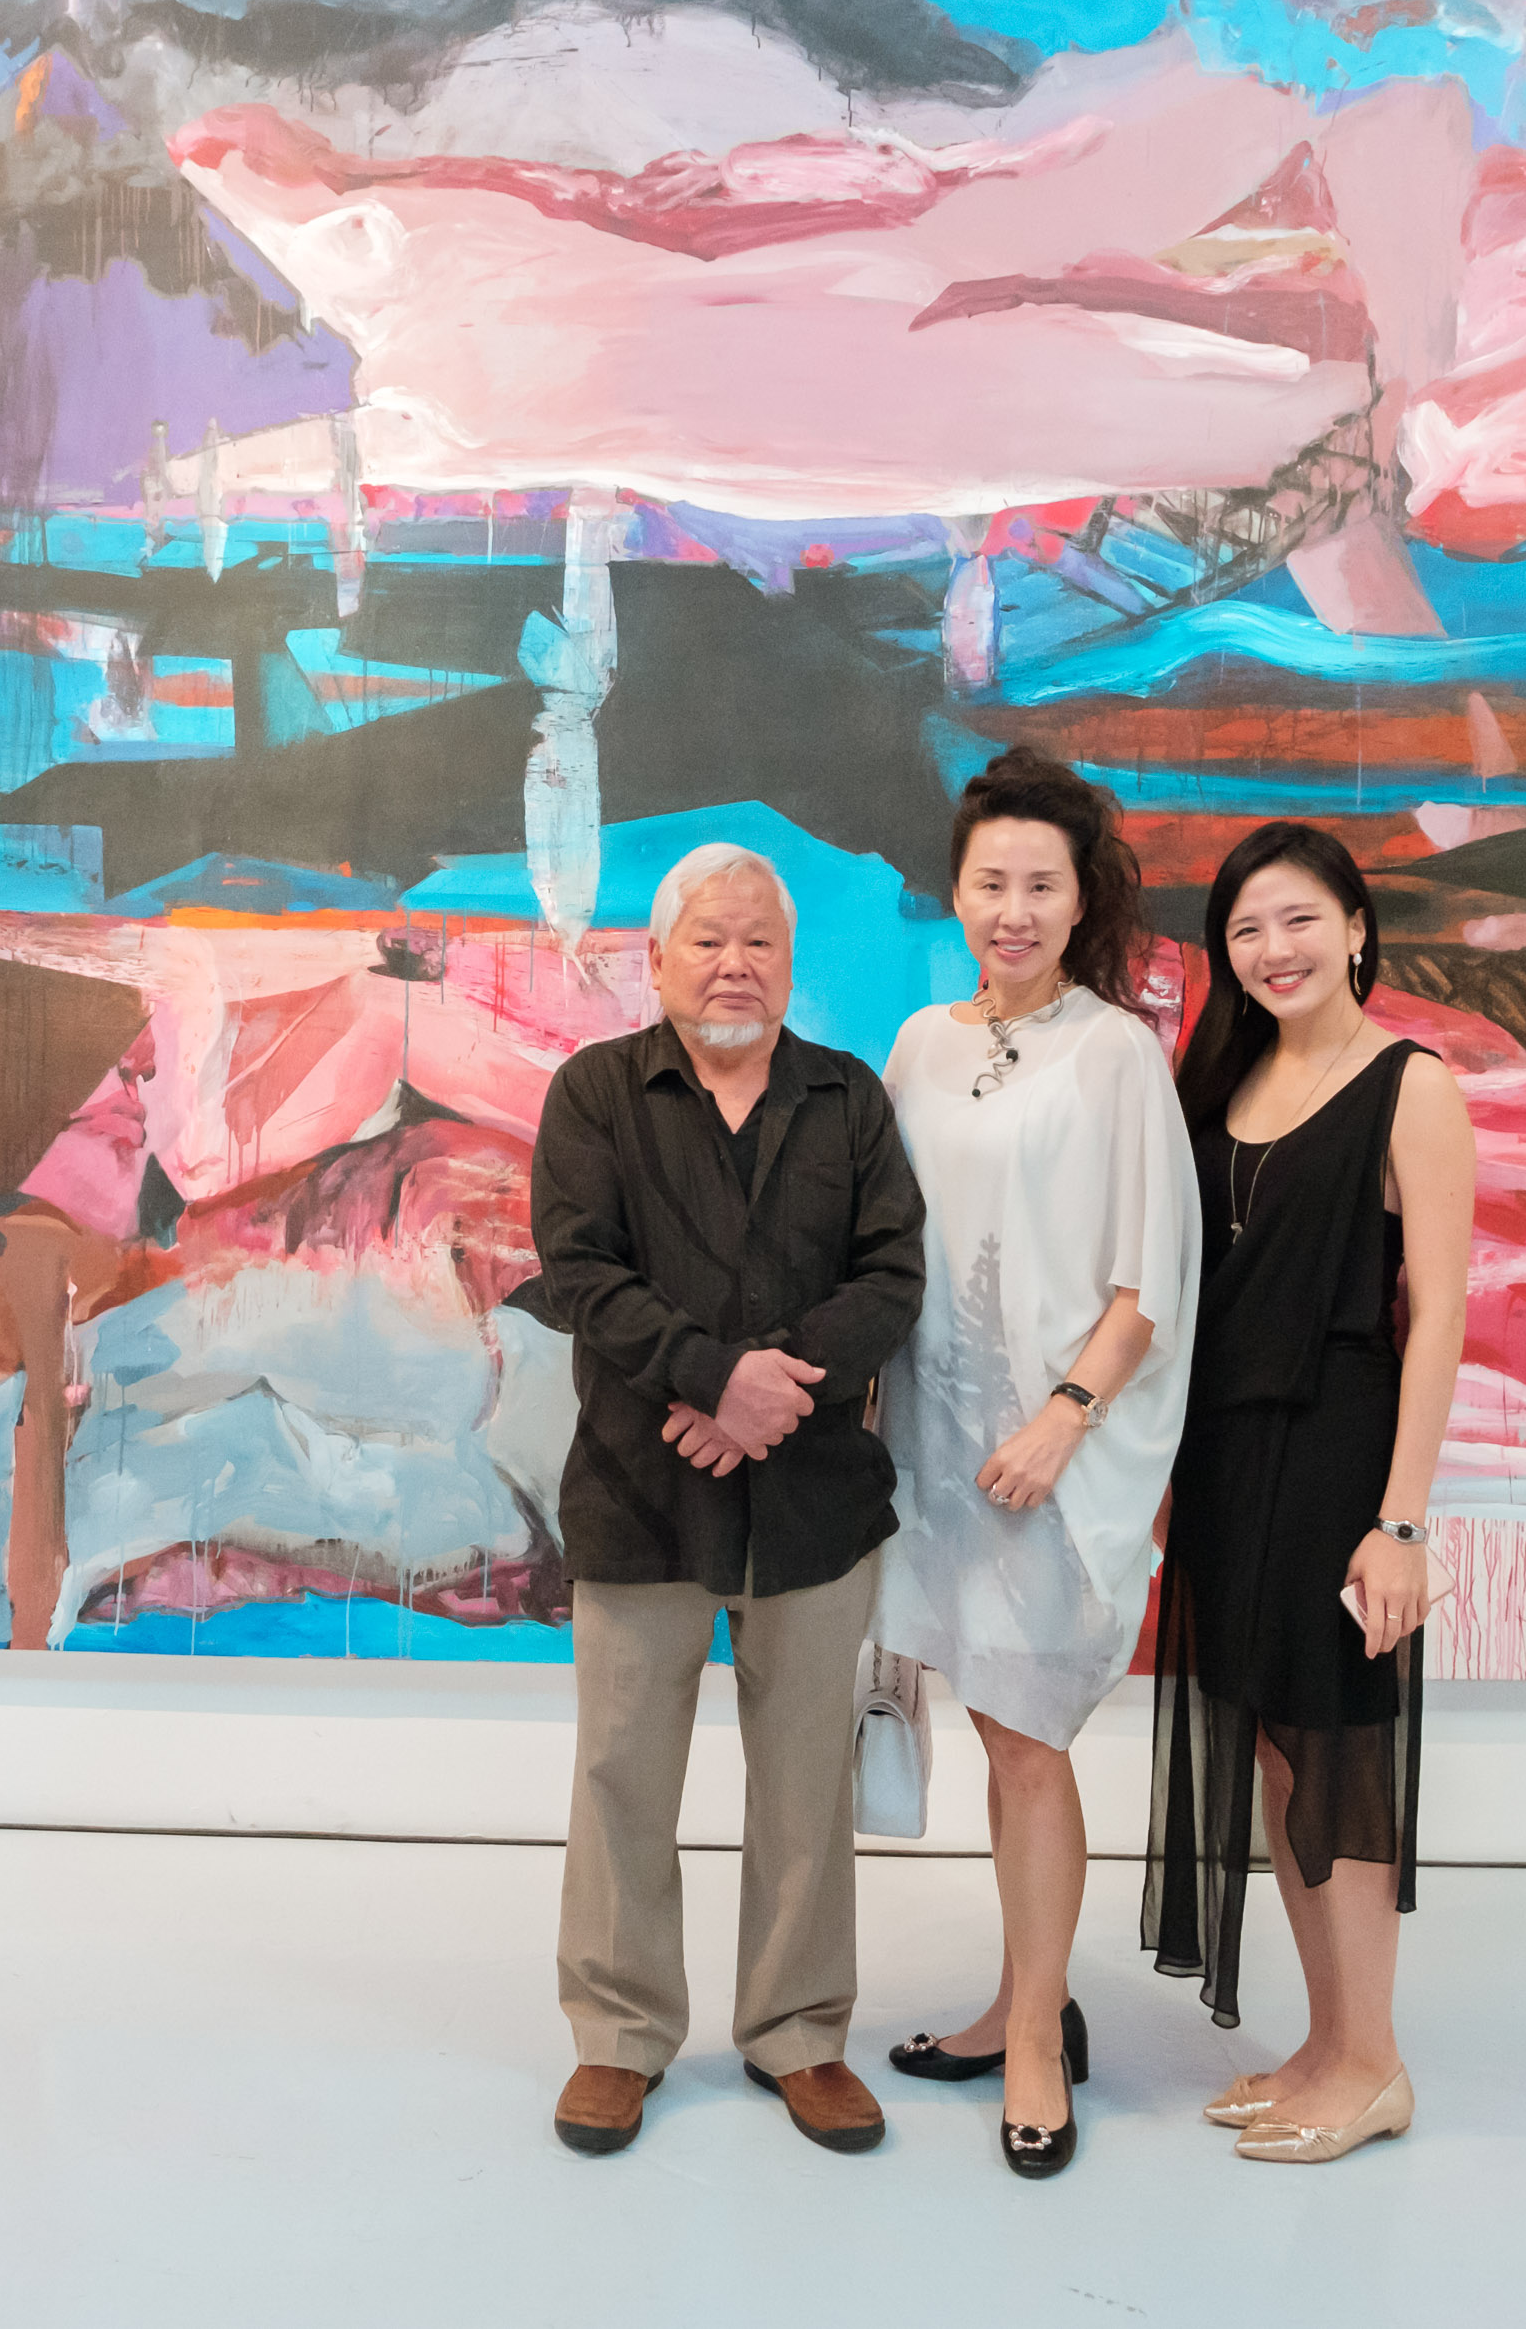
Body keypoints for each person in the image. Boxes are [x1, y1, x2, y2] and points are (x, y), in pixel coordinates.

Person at [518, 842, 928, 2160]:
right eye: (708, 939)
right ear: (657, 960)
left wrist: (764, 1392)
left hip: (814, 1504)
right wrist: (710, 1379)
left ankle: (799, 2034)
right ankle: (618, 2034)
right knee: (622, 1774)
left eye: (759, 942)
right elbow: (581, 1272)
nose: (734, 963)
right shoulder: (596, 1094)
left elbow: (891, 1278)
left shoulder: (848, 1100)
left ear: (790, 965)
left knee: (803, 1783)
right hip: (641, 1492)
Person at [869, 748, 1197, 2179]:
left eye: (1040, 886)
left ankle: (1036, 2044)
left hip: (1050, 1457)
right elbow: (884, 1246)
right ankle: (1022, 2000)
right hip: (935, 1447)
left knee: (1028, 1737)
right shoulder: (919, 1044)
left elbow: (1149, 1277)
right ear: (956, 893)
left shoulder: (1113, 1053)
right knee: (992, 1727)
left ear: (1081, 902)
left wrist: (1065, 1419)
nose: (1013, 910)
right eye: (990, 882)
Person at [1141, 820, 1478, 2166]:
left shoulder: (1412, 1086)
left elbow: (1437, 1314)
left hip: (1339, 1449)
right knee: (1278, 1754)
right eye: (1245, 929)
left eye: (1297, 920)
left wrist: (1400, 1521)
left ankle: (1376, 2062)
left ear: (1355, 928)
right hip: (1225, 1459)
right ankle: (1329, 2041)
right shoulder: (1221, 1079)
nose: (1273, 949)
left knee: (1340, 1754)